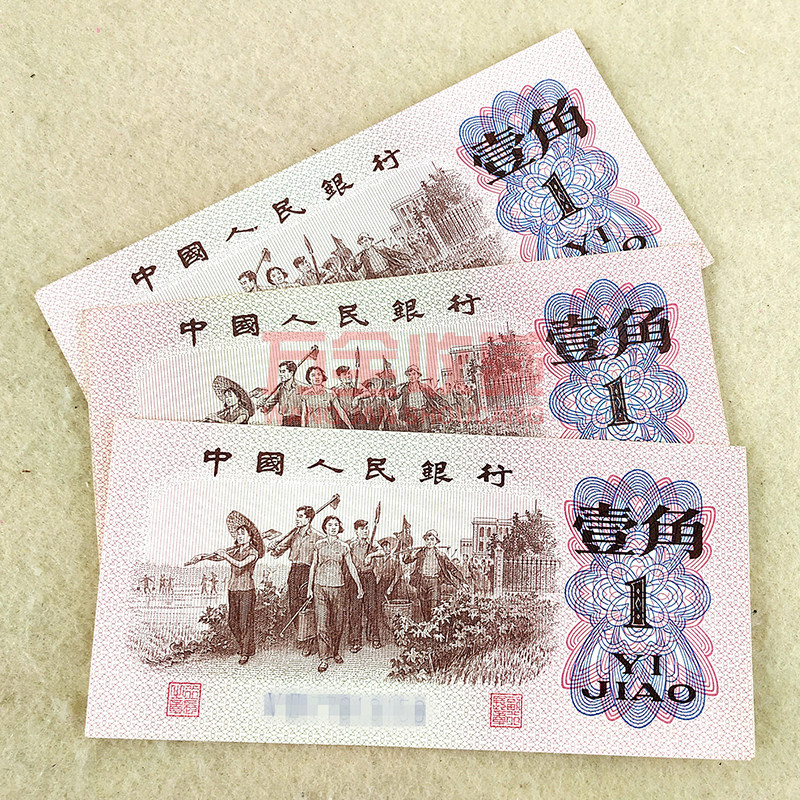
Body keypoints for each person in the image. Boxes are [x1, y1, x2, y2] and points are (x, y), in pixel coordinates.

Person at [185, 511, 264, 665]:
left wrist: (225, 555)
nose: (239, 536)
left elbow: (240, 564)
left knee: (244, 622)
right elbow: (216, 557)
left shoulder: (253, 552)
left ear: (250, 537)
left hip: (247, 590)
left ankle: (245, 652)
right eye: (238, 534)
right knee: (232, 622)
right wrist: (202, 557)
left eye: (243, 534)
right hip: (232, 589)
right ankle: (248, 647)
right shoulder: (234, 550)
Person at [308, 515, 363, 672]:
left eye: (336, 525)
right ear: (325, 527)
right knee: (322, 624)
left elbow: (351, 566)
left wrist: (359, 586)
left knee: (338, 624)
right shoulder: (319, 545)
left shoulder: (344, 547)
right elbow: (313, 566)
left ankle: (335, 652)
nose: (333, 527)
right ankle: (324, 658)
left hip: (338, 588)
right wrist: (309, 588)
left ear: (339, 528)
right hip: (320, 587)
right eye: (330, 525)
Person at [267, 506, 321, 657]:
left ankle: (310, 641)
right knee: (293, 605)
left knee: (307, 607)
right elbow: (277, 552)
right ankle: (301, 635)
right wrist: (273, 547)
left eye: (301, 516)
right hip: (294, 572)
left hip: (308, 572)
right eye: (297, 516)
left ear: (308, 519)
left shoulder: (317, 536)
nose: (297, 519)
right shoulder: (293, 535)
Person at [403, 530, 465, 621]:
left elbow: (452, 568)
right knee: (424, 608)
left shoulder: (441, 555)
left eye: (432, 539)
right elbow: (406, 561)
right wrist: (408, 553)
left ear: (436, 541)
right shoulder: (420, 553)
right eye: (427, 539)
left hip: (434, 583)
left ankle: (433, 626)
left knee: (434, 607)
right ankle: (427, 625)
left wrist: (462, 581)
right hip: (422, 582)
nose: (429, 542)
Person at [346, 520, 381, 651]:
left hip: (369, 578)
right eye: (362, 529)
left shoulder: (372, 543)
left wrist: (371, 555)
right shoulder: (351, 544)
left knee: (372, 608)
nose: (365, 531)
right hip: (355, 579)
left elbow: (382, 552)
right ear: (356, 531)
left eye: (366, 528)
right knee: (355, 610)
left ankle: (374, 637)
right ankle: (355, 640)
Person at [396, 365, 451, 432]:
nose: (412, 377)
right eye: (409, 375)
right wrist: (397, 391)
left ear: (418, 375)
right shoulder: (404, 388)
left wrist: (449, 408)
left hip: (423, 414)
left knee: (425, 432)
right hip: (410, 416)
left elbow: (438, 398)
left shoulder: (425, 387)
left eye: (414, 374)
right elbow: (393, 397)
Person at [252, 360, 302, 426]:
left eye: (283, 372)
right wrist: (262, 404)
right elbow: (267, 407)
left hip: (300, 422)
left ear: (291, 373)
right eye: (280, 372)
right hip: (285, 421)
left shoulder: (301, 388)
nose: (280, 374)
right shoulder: (280, 389)